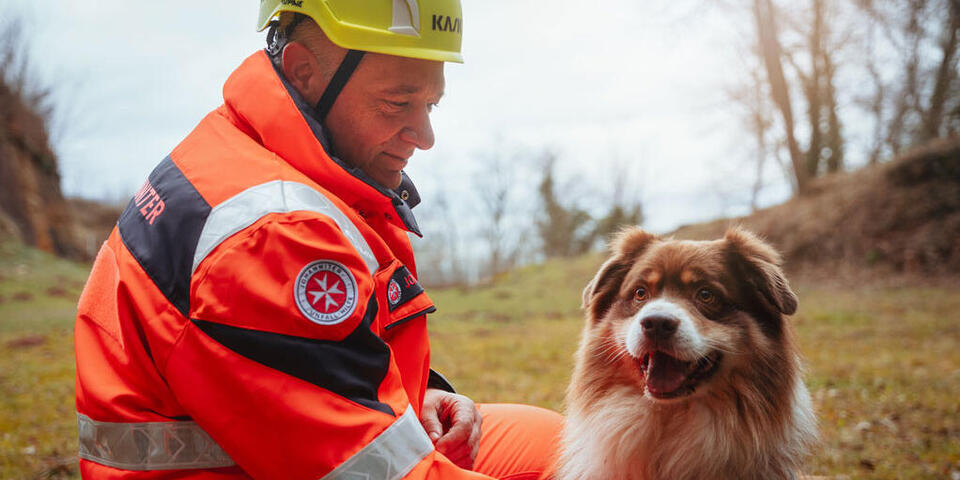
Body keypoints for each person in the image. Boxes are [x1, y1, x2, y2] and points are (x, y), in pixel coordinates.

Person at [74, 1, 563, 479]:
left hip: (283, 449)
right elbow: (370, 469)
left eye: (431, 104)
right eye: (398, 103)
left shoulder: (250, 150)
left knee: (561, 447)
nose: (425, 134)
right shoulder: (271, 235)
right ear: (304, 71)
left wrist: (420, 395)